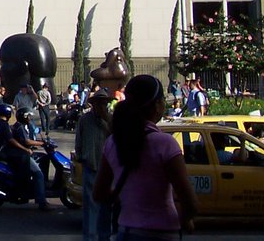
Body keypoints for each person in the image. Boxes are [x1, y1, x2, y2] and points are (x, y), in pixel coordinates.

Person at [93, 74, 198, 240]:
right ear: (156, 105)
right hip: (162, 232)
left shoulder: (113, 142)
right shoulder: (165, 143)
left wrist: (128, 198)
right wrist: (185, 219)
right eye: (163, 99)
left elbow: (99, 194)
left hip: (126, 231)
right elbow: (190, 202)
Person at [74, 89, 112, 240]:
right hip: (90, 165)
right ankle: (89, 237)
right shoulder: (85, 119)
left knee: (106, 207)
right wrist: (81, 156)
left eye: (103, 103)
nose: (100, 106)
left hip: (107, 169)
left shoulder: (110, 119)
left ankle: (104, 237)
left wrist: (106, 118)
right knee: (90, 207)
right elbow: (79, 139)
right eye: (98, 103)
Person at [10, 107, 49, 210]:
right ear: (24, 116)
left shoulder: (21, 126)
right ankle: (42, 202)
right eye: (28, 116)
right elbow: (26, 141)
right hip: (22, 154)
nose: (30, 118)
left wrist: (40, 141)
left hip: (24, 153)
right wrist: (42, 143)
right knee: (39, 174)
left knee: (43, 158)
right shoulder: (19, 127)